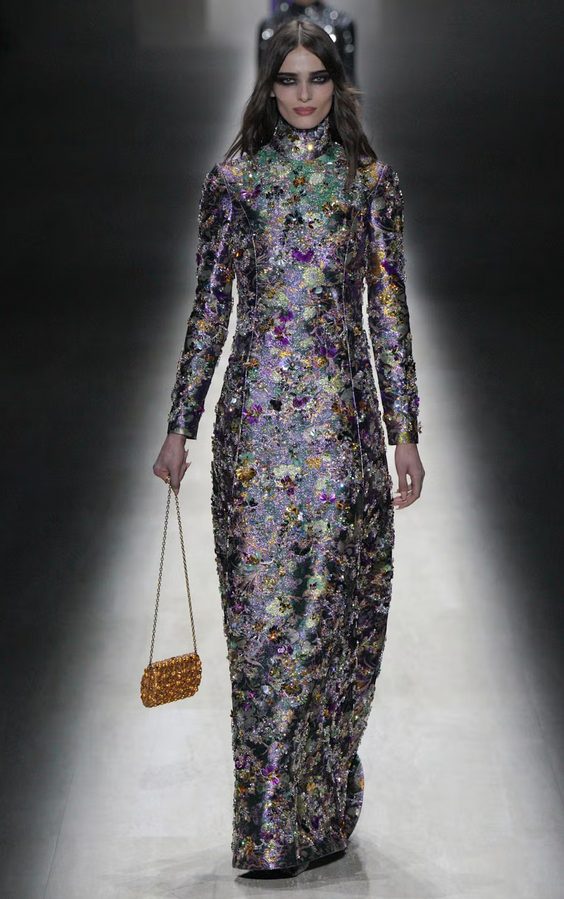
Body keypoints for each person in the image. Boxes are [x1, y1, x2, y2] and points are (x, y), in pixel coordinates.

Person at [153, 19, 425, 879]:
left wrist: (404, 430)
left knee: (336, 629)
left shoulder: (369, 182)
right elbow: (209, 307)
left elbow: (387, 311)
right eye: (287, 79)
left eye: (317, 78)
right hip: (253, 439)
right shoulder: (235, 181)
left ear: (338, 84)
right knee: (265, 634)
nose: (303, 94)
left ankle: (324, 805)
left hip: (343, 438)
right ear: (266, 86)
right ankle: (269, 829)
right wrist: (181, 424)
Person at [258, 0, 357, 84]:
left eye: (319, 78)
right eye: (288, 80)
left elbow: (347, 79)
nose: (304, 95)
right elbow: (264, 81)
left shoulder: (341, 23)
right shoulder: (271, 25)